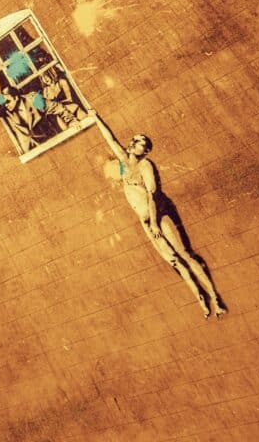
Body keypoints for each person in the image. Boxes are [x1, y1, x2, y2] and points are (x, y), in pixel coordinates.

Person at [92, 111, 226, 319]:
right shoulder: (124, 161)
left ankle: (215, 299)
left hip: (159, 217)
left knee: (184, 255)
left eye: (140, 142)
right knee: (173, 261)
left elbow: (153, 195)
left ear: (144, 150)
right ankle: (201, 299)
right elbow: (110, 138)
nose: (134, 142)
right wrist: (96, 117)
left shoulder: (146, 165)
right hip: (146, 221)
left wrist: (154, 222)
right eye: (135, 140)